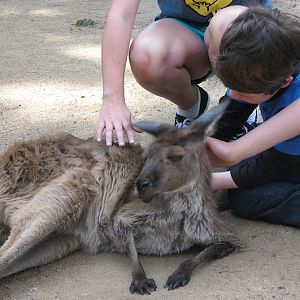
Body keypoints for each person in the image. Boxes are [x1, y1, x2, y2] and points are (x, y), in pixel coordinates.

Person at [97, 0, 271, 146]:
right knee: (146, 56)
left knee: (232, 26)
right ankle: (191, 108)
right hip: (185, 32)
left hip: (242, 30)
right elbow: (122, 15)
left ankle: (240, 105)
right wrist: (113, 99)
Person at [205, 8, 300, 228]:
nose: (235, 95)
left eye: (244, 93)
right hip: (287, 154)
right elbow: (231, 112)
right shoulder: (259, 65)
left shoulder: (292, 103)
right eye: (230, 87)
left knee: (245, 199)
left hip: (290, 159)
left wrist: (210, 181)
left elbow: (275, 166)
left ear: (284, 81)